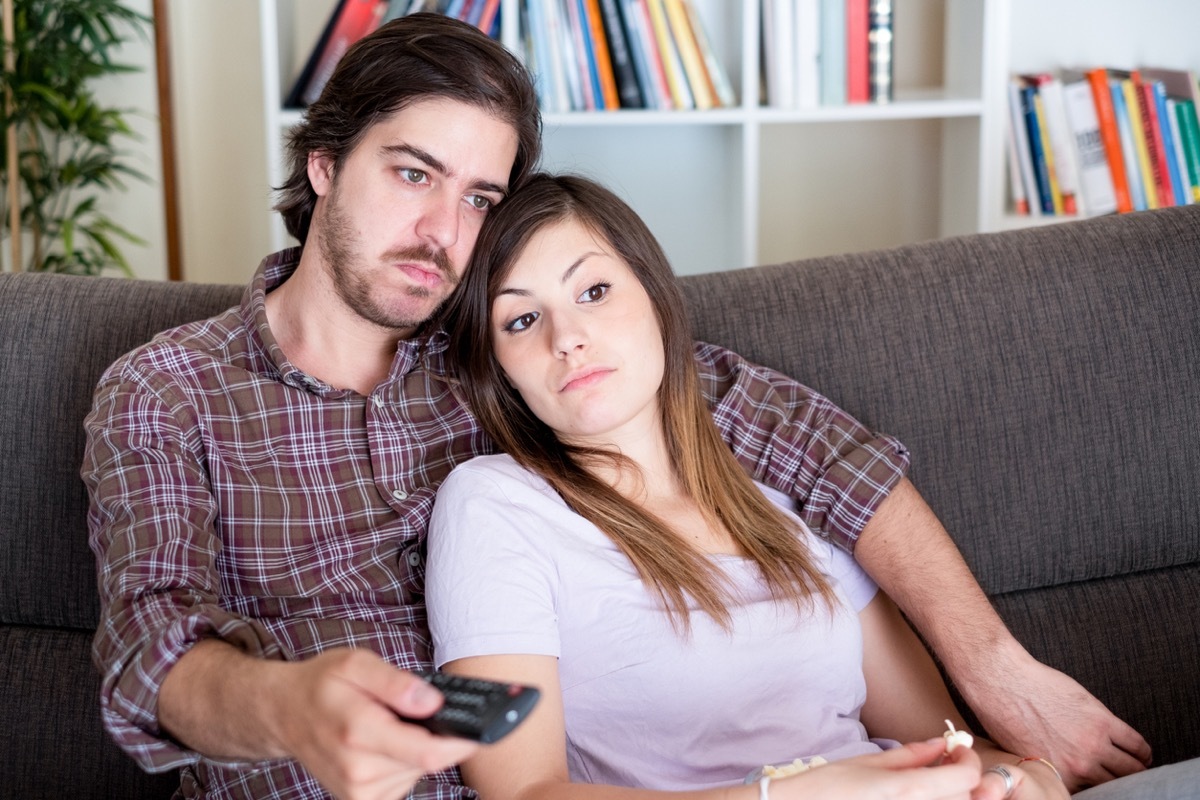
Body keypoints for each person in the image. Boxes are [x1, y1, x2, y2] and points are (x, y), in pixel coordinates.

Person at [82, 12, 1145, 800]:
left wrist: (995, 672)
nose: (443, 232)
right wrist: (289, 705)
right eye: (412, 174)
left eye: (479, 198)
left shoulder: (505, 353)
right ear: (323, 165)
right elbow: (149, 652)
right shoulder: (167, 390)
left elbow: (812, 448)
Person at [427, 173, 1200, 800]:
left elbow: (940, 740)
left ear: (657, 300)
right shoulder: (493, 506)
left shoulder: (780, 497)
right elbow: (522, 791)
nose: (568, 338)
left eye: (593, 292)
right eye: (520, 322)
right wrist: (791, 794)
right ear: (500, 371)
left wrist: (1016, 775)